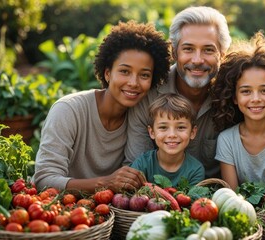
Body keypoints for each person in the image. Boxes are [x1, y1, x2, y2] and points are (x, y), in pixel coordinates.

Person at [33, 21, 171, 193]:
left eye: (144, 75)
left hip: (110, 211)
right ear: (107, 73)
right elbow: (44, 179)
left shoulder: (141, 117)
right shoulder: (68, 110)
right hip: (59, 209)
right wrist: (105, 183)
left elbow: (134, 177)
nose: (133, 83)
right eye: (124, 71)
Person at [125, 6, 232, 179]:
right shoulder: (149, 94)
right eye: (188, 49)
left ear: (222, 54)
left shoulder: (233, 95)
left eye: (208, 50)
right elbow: (135, 170)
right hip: (156, 197)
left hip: (213, 198)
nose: (197, 60)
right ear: (174, 53)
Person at [211, 32, 265, 190]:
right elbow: (232, 196)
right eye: (246, 91)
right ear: (234, 97)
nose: (256, 98)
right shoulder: (226, 140)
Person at [130, 93, 205, 186]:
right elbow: (132, 196)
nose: (172, 135)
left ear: (192, 132)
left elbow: (193, 200)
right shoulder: (142, 164)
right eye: (163, 127)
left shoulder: (195, 170)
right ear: (152, 132)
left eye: (181, 127)